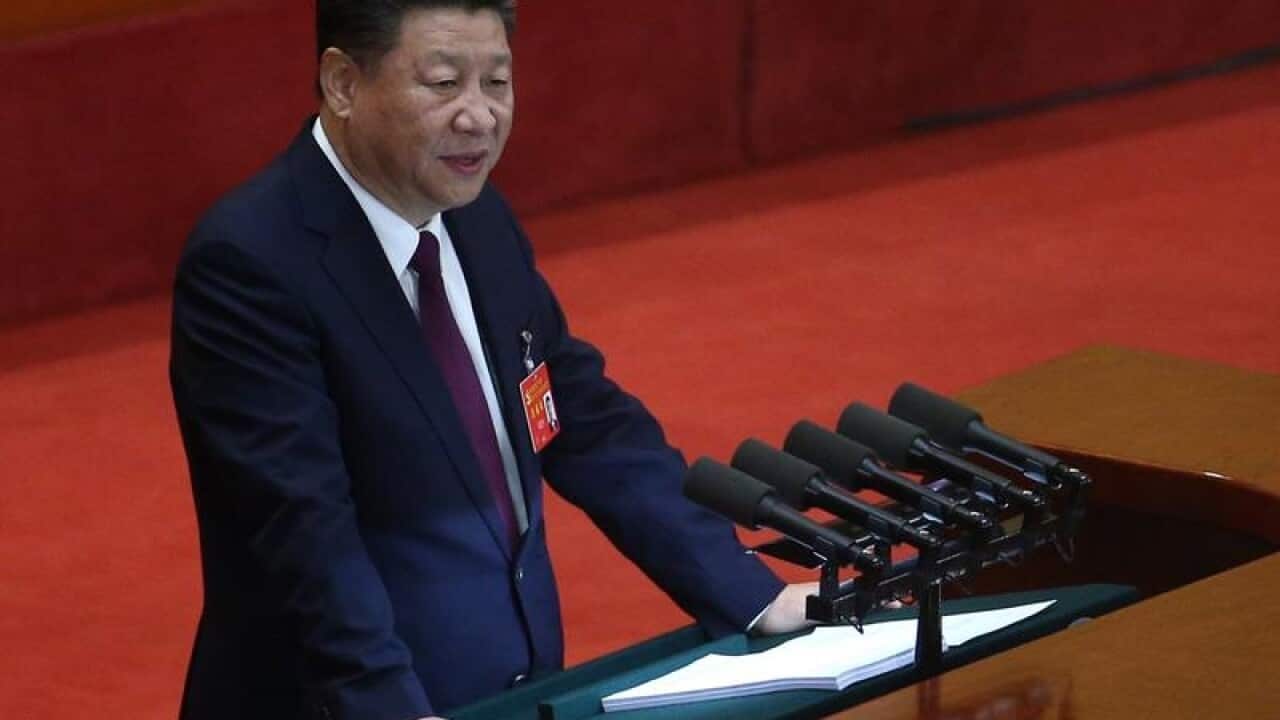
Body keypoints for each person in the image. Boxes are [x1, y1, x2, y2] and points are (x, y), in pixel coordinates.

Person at [170, 2, 813, 718]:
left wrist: (750, 593)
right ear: (343, 83)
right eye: (444, 84)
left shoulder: (474, 216)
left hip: (518, 692)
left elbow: (575, 415)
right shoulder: (251, 264)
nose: (479, 117)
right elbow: (302, 532)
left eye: (497, 82)